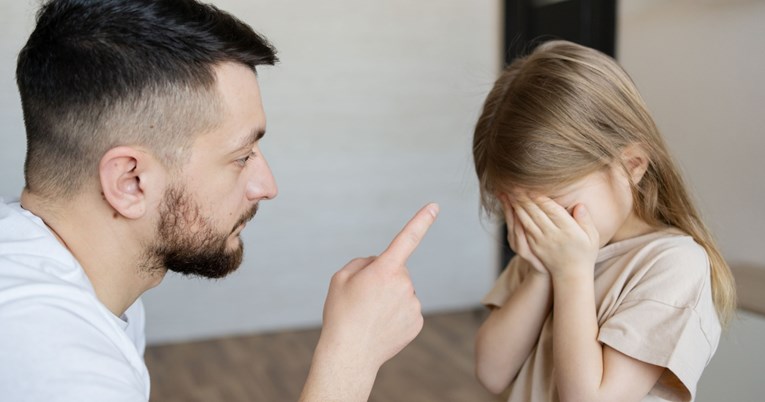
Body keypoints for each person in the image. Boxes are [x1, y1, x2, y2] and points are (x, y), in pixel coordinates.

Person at [0, 1, 439, 401]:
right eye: (242, 156)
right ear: (130, 181)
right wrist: (352, 355)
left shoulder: (72, 278)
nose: (266, 186)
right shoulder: (53, 364)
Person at [472, 40, 736, 402]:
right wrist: (539, 273)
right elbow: (491, 371)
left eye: (557, 208)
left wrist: (571, 274)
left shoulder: (672, 266)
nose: (544, 227)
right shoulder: (550, 251)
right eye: (525, 211)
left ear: (632, 166)